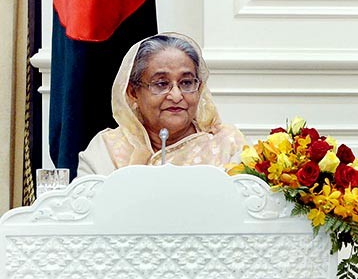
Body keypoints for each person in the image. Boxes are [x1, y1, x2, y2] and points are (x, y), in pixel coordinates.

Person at [77, 33, 245, 176]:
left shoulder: (228, 144)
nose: (176, 95)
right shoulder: (107, 149)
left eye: (186, 83)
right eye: (161, 84)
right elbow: (90, 209)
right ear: (133, 93)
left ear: (199, 88)